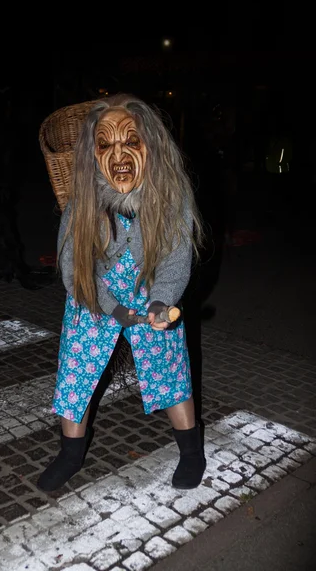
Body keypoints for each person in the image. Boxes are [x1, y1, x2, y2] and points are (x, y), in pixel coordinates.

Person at [37, 93, 206, 493]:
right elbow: (72, 268)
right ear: (94, 156)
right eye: (106, 144)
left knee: (169, 367)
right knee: (76, 371)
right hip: (94, 294)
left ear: (152, 146)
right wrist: (109, 308)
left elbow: (176, 259)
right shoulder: (83, 203)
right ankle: (70, 454)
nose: (119, 154)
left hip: (151, 290)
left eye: (131, 141)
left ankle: (192, 452)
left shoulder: (171, 197)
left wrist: (161, 301)